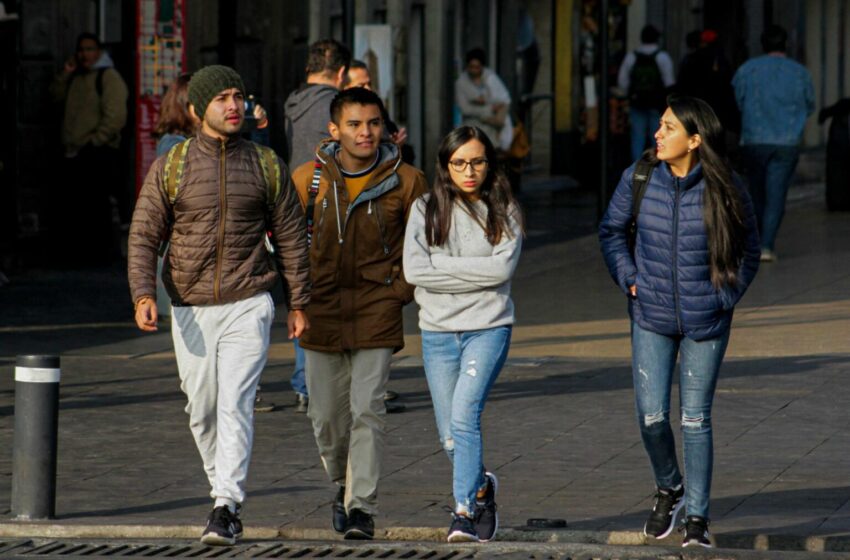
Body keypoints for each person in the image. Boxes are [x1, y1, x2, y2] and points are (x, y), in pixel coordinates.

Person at [128, 65, 310, 546]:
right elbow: (144, 234)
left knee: (235, 402)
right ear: (197, 110)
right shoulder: (173, 165)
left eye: (239, 96)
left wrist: (298, 302)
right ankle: (220, 489)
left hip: (249, 299)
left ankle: (226, 504)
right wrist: (144, 293)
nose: (235, 106)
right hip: (189, 304)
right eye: (223, 98)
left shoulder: (266, 164)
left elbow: (291, 236)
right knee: (202, 409)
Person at [599, 95, 760, 548]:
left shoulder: (724, 185)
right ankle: (670, 486)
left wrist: (725, 297)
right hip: (650, 313)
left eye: (668, 128)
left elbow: (749, 249)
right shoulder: (640, 177)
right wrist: (629, 279)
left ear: (694, 139)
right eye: (660, 126)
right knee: (651, 417)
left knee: (695, 419)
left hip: (706, 319)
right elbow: (611, 232)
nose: (657, 134)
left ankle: (698, 519)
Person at [290, 87, 427, 540]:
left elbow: (422, 244)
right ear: (334, 130)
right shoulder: (307, 179)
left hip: (376, 308)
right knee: (325, 418)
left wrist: (399, 292)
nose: (365, 132)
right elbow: (287, 244)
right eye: (354, 124)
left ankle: (361, 507)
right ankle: (342, 482)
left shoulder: (408, 180)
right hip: (320, 310)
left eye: (372, 123)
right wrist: (296, 295)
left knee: (368, 409)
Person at [403, 126, 523, 543]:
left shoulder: (504, 209)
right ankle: (483, 487)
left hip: (488, 329)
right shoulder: (425, 208)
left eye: (476, 161)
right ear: (445, 165)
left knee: (464, 416)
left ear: (490, 164)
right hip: (437, 333)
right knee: (450, 436)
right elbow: (414, 271)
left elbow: (502, 270)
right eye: (459, 163)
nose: (468, 171)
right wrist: (475, 273)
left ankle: (463, 513)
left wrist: (442, 267)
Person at [284, 38, 352, 413]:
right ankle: (320, 381)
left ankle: (303, 382)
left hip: (297, 208)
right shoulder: (335, 106)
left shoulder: (291, 104)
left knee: (302, 294)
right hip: (331, 207)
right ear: (340, 73)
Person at [732, 24, 815, 262]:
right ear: (785, 44)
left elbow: (737, 100)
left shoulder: (748, 70)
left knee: (756, 193)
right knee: (776, 194)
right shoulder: (800, 73)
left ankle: (756, 241)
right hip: (786, 141)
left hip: (754, 139)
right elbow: (809, 104)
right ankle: (767, 245)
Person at [50, 31, 128, 263]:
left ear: (99, 51)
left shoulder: (107, 77)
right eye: (81, 50)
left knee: (96, 206)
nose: (85, 54)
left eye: (90, 49)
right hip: (74, 150)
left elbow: (115, 116)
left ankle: (99, 255)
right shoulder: (77, 76)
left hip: (95, 150)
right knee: (77, 206)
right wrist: (65, 74)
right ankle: (81, 253)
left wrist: (96, 140)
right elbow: (55, 97)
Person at [617, 25, 675, 161]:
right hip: (656, 103)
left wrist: (628, 94)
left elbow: (622, 81)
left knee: (637, 138)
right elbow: (670, 82)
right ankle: (657, 168)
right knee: (658, 136)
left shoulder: (632, 56)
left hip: (637, 102)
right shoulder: (662, 56)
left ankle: (637, 170)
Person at [455, 48, 513, 152]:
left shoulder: (489, 78)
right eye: (471, 67)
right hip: (473, 131)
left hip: (492, 133)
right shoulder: (461, 83)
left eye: (477, 67)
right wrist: (489, 109)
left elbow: (503, 99)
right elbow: (465, 109)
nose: (474, 70)